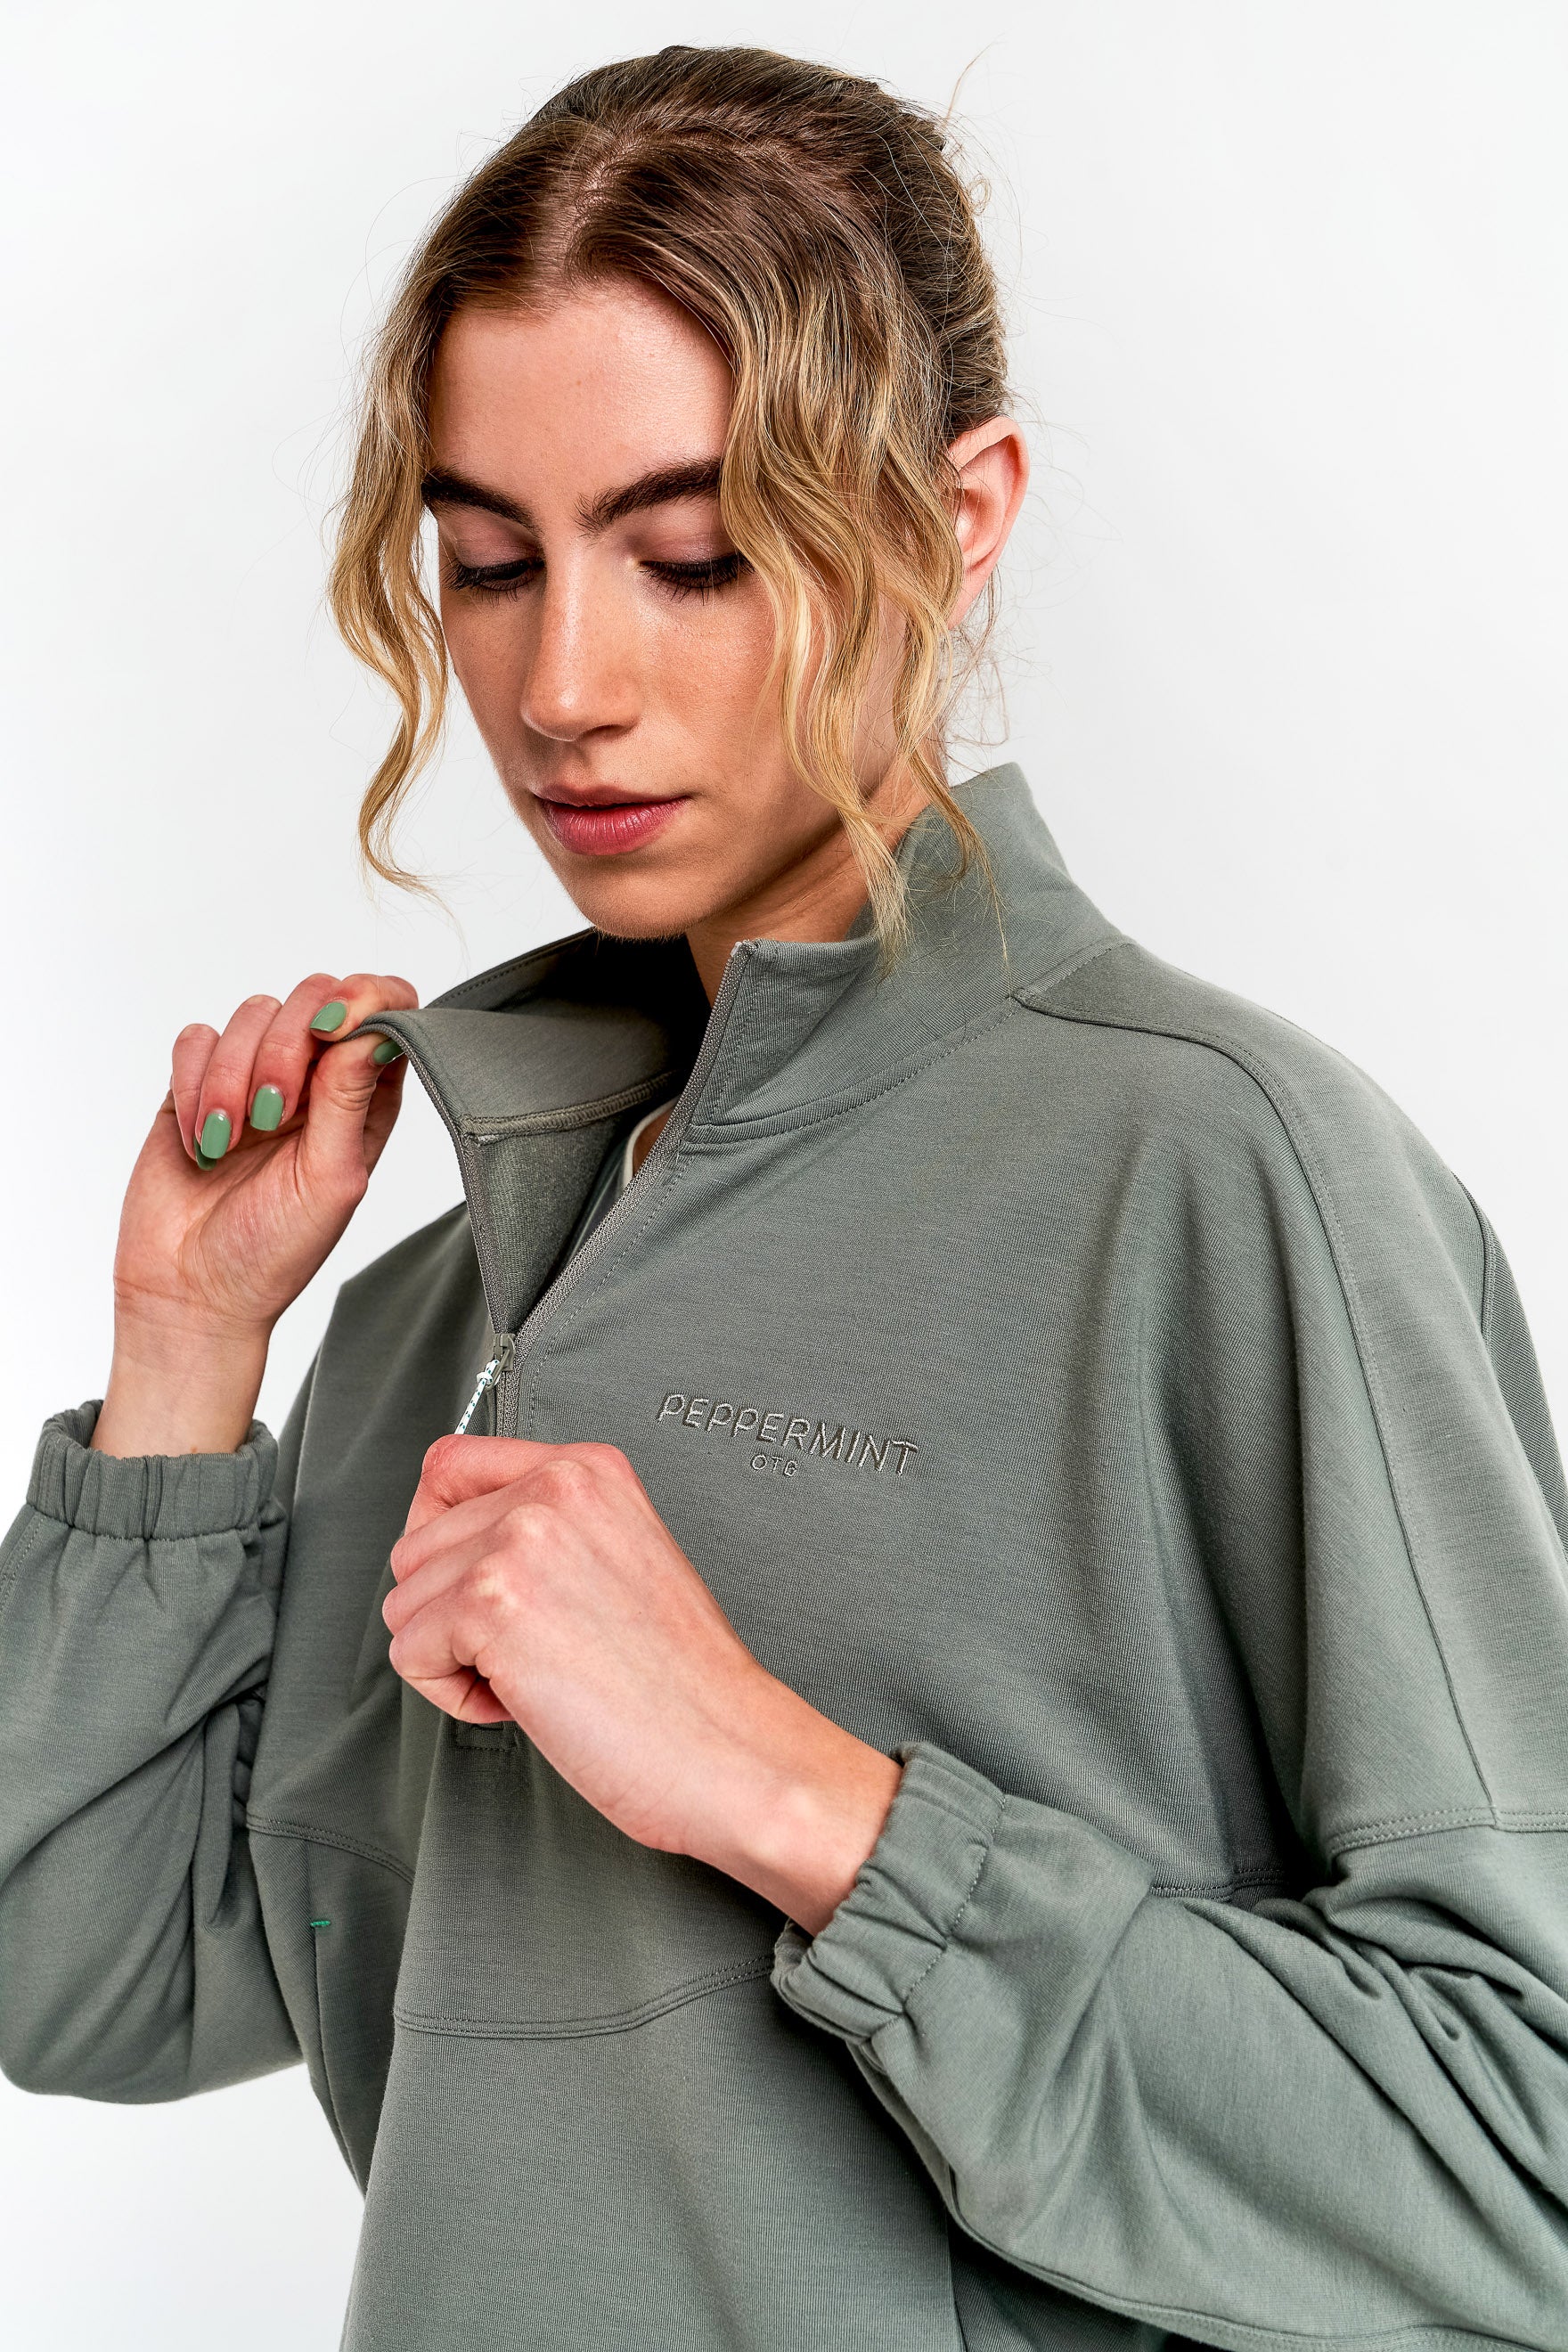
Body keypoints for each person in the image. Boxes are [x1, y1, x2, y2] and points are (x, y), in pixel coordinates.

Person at [3, 41, 1567, 2352]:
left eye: (694, 552)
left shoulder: (1231, 1181)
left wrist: (793, 1792)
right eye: (489, 561)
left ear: (961, 512)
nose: (563, 682)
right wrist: (182, 1365)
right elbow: (90, 1984)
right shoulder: (455, 1295)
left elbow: (1523, 2169)